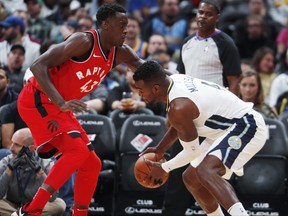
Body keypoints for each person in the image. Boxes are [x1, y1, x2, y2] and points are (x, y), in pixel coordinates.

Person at [13, 3, 148, 216]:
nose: (127, 29)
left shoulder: (119, 52)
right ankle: (31, 210)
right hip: (38, 99)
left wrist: (180, 82)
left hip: (59, 106)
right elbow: (38, 65)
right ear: (105, 25)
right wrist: (59, 102)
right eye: (121, 24)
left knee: (92, 163)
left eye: (128, 25)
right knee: (77, 151)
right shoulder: (83, 41)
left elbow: (148, 69)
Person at [133, 61, 267, 216]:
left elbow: (192, 152)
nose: (139, 94)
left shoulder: (178, 106)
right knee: (191, 178)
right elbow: (180, 125)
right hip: (224, 130)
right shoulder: (176, 80)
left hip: (247, 125)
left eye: (141, 90)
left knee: (206, 171)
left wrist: (164, 168)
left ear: (156, 88)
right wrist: (159, 149)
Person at [177, 0, 241, 95]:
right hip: (190, 101)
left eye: (208, 14)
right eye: (201, 12)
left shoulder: (226, 43)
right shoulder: (187, 42)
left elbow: (234, 81)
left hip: (216, 102)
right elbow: (181, 76)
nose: (203, 16)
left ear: (217, 18)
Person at [0, 128, 66, 216]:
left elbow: (52, 197)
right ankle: (24, 214)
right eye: (12, 143)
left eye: (16, 145)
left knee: (60, 204)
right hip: (12, 205)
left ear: (31, 148)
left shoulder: (46, 163)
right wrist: (9, 169)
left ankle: (21, 214)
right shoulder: (6, 161)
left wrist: (39, 171)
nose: (11, 148)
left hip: (35, 205)